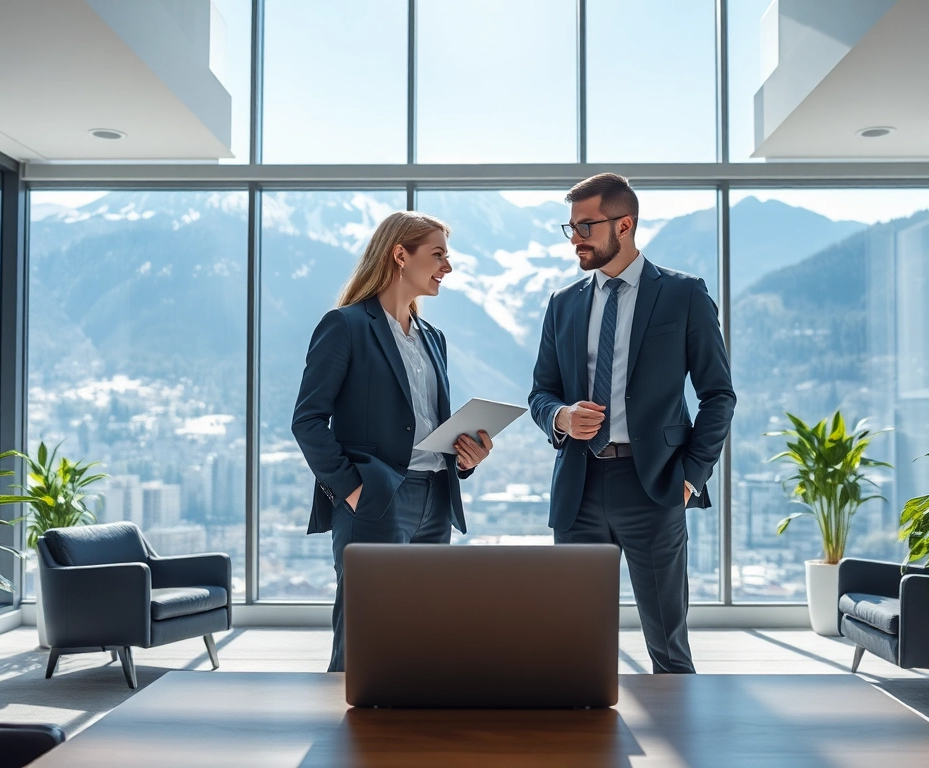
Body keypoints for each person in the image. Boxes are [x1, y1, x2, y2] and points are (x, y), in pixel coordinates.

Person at [529, 173, 735, 674]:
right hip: (579, 484)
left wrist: (690, 477)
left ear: (625, 224)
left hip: (655, 486)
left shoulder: (684, 295)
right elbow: (540, 392)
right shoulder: (563, 303)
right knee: (573, 642)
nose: (574, 237)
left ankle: (678, 747)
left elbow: (718, 395)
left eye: (586, 225)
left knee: (667, 644)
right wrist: (561, 416)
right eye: (570, 226)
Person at [292, 210, 492, 673]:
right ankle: (343, 736)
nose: (448, 267)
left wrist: (467, 457)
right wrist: (353, 491)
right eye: (438, 255)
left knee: (422, 631)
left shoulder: (433, 338)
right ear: (400, 254)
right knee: (364, 636)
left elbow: (426, 425)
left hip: (436, 496)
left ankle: (408, 738)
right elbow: (307, 420)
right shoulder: (345, 326)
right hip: (378, 499)